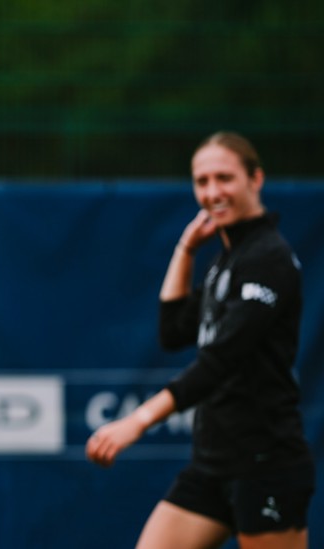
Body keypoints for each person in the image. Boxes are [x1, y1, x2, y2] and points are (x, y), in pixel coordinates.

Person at [86, 131, 315, 548]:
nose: (212, 192)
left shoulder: (269, 258)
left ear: (255, 179)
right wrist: (186, 249)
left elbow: (222, 360)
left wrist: (138, 421)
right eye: (202, 181)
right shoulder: (225, 261)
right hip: (212, 464)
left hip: (266, 462)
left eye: (224, 178)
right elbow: (172, 331)